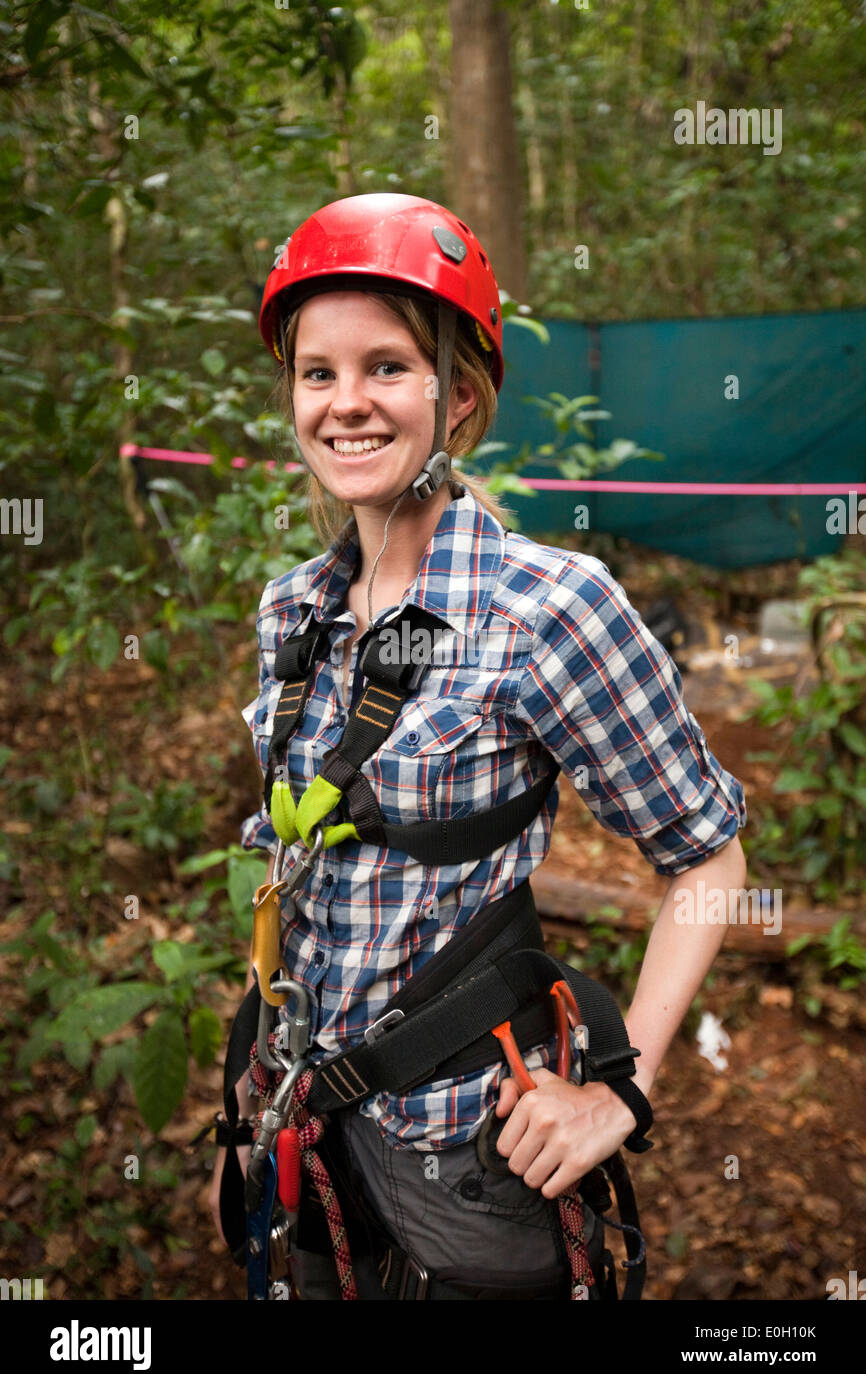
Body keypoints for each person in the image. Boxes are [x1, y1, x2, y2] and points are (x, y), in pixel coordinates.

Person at [209, 193, 748, 1301]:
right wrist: (253, 1088)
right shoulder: (292, 614)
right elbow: (302, 873)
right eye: (317, 373)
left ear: (455, 397)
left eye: (385, 369)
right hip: (302, 1128)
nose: (346, 403)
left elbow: (706, 858)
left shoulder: (543, 607)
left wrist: (618, 1092)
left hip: (465, 1145)